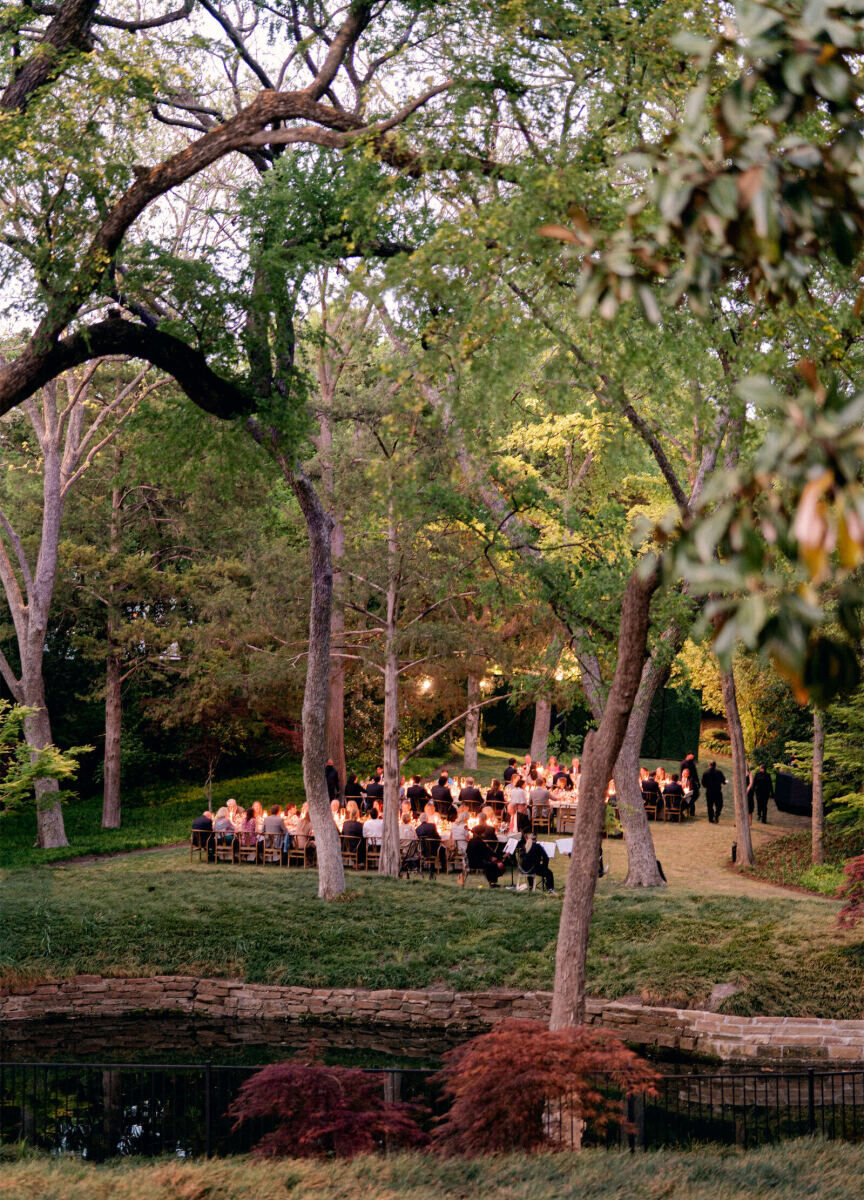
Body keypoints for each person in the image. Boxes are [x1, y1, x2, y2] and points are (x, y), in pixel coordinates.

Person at [415, 803, 447, 873]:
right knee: (442, 849)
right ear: (426, 818)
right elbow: (438, 838)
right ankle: (444, 868)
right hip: (434, 849)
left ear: (420, 820)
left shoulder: (417, 829)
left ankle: (422, 867)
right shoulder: (432, 826)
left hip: (423, 850)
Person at [341, 801, 365, 865]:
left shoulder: (345, 823)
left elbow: (342, 833)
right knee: (363, 841)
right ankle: (360, 862)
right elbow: (362, 835)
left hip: (346, 846)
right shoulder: (359, 825)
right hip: (356, 847)